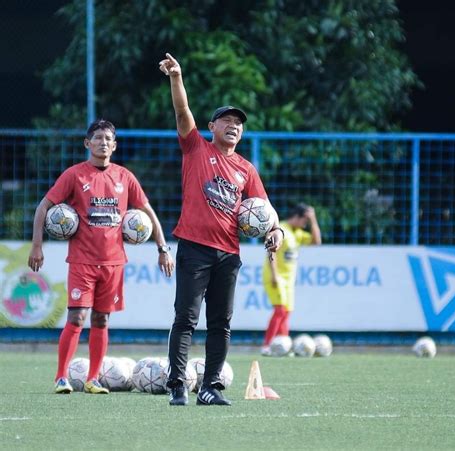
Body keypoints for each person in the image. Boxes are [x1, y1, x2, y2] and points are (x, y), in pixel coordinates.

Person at [159, 53, 284, 406]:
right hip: (194, 247)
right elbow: (183, 115)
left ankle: (210, 387)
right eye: (226, 120)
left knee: (221, 322)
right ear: (211, 127)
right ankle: (177, 385)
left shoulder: (246, 169)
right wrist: (176, 78)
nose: (233, 126)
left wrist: (277, 233)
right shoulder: (196, 148)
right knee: (185, 318)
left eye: (239, 123)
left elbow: (267, 213)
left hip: (229, 254)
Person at [28, 119, 174, 394]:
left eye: (108, 139)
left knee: (101, 319)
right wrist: (37, 244)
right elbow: (44, 206)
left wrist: (163, 248)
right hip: (82, 262)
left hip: (114, 262)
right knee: (77, 317)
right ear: (87, 143)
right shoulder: (74, 175)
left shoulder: (125, 177)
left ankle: (93, 379)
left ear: (115, 145)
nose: (103, 142)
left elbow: (148, 212)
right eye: (97, 138)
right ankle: (61, 377)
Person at [261, 203, 322, 356]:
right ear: (297, 217)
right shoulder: (281, 229)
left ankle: (284, 345)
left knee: (286, 312)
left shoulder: (298, 233)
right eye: (305, 221)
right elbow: (272, 251)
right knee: (280, 310)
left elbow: (316, 241)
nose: (305, 225)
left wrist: (313, 220)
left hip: (288, 280)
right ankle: (267, 345)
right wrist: (275, 274)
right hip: (276, 277)